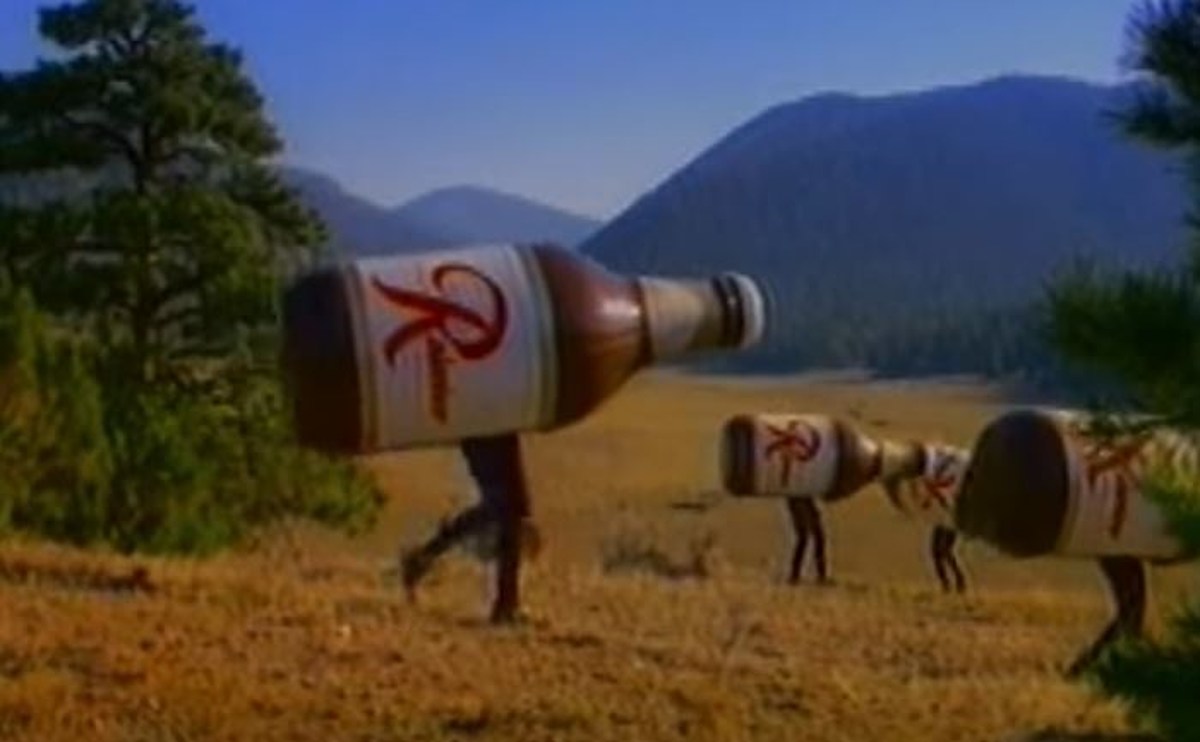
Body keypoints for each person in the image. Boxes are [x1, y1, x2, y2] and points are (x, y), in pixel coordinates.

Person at [400, 433, 541, 623]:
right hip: (486, 430)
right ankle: (506, 604)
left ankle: (424, 557)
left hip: (497, 429)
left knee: (505, 506)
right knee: (506, 506)